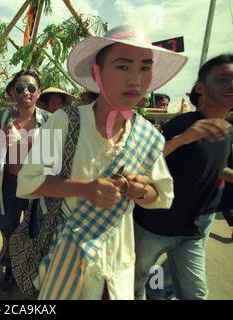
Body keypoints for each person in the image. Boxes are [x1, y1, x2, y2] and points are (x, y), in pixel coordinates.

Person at [16, 25, 187, 300]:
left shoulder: (148, 136)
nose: (135, 80)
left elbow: (161, 194)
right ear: (97, 71)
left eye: (145, 68)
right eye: (122, 67)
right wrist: (83, 189)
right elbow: (28, 182)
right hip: (68, 259)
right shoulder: (64, 122)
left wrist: (142, 190)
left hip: (117, 267)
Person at [134, 54, 233, 300]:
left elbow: (215, 167)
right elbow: (145, 164)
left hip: (193, 232)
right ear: (201, 88)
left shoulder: (228, 132)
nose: (231, 85)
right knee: (135, 284)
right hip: (154, 226)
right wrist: (182, 139)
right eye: (222, 78)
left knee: (196, 294)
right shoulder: (181, 124)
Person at [0, 69, 50, 298]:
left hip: (36, 184)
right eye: (19, 88)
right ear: (12, 93)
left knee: (35, 229)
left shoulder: (48, 119)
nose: (25, 92)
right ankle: (9, 270)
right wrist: (2, 141)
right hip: (9, 183)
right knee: (7, 228)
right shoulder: (2, 117)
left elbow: (52, 155)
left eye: (31, 88)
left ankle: (31, 271)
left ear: (39, 92)